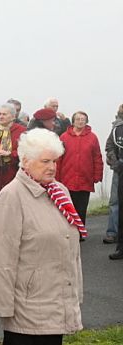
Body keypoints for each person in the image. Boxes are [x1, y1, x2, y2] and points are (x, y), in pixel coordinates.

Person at [0, 128, 83, 345]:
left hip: (55, 300)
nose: (52, 167)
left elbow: (70, 248)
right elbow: (0, 255)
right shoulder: (11, 197)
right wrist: (5, 306)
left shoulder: (60, 192)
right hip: (25, 305)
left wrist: (74, 295)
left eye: (54, 161)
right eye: (45, 162)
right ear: (25, 162)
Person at [57, 111, 103, 229]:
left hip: (85, 177)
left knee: (81, 207)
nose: (80, 121)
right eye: (78, 119)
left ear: (86, 121)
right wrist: (56, 177)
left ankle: (79, 231)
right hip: (67, 177)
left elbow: (97, 157)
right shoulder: (64, 137)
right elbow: (58, 158)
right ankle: (68, 230)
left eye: (83, 119)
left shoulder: (92, 137)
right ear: (73, 121)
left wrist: (98, 175)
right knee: (68, 206)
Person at [105, 105, 123, 259]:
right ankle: (120, 246)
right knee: (118, 205)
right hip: (121, 171)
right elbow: (109, 146)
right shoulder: (117, 128)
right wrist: (116, 163)